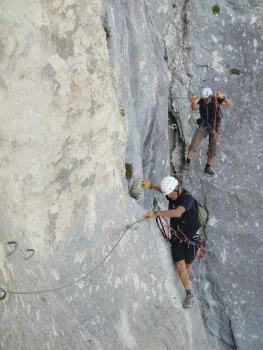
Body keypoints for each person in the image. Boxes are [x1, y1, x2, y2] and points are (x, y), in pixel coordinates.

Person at [142, 176, 202, 308]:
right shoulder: (171, 193)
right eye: (167, 195)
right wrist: (151, 185)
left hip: (191, 237)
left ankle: (188, 270)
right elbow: (163, 190)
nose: (169, 197)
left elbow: (177, 213)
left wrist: (157, 213)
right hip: (177, 237)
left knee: (187, 263)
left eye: (170, 195)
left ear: (177, 190)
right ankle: (189, 295)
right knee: (180, 268)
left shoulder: (187, 199)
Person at [186, 87, 233, 175]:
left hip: (214, 128)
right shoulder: (202, 101)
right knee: (195, 142)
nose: (205, 100)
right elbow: (194, 107)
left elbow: (229, 104)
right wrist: (193, 101)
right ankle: (187, 163)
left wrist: (223, 97)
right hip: (204, 125)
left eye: (206, 99)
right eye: (204, 99)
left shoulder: (216, 100)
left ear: (210, 97)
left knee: (213, 148)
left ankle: (208, 167)